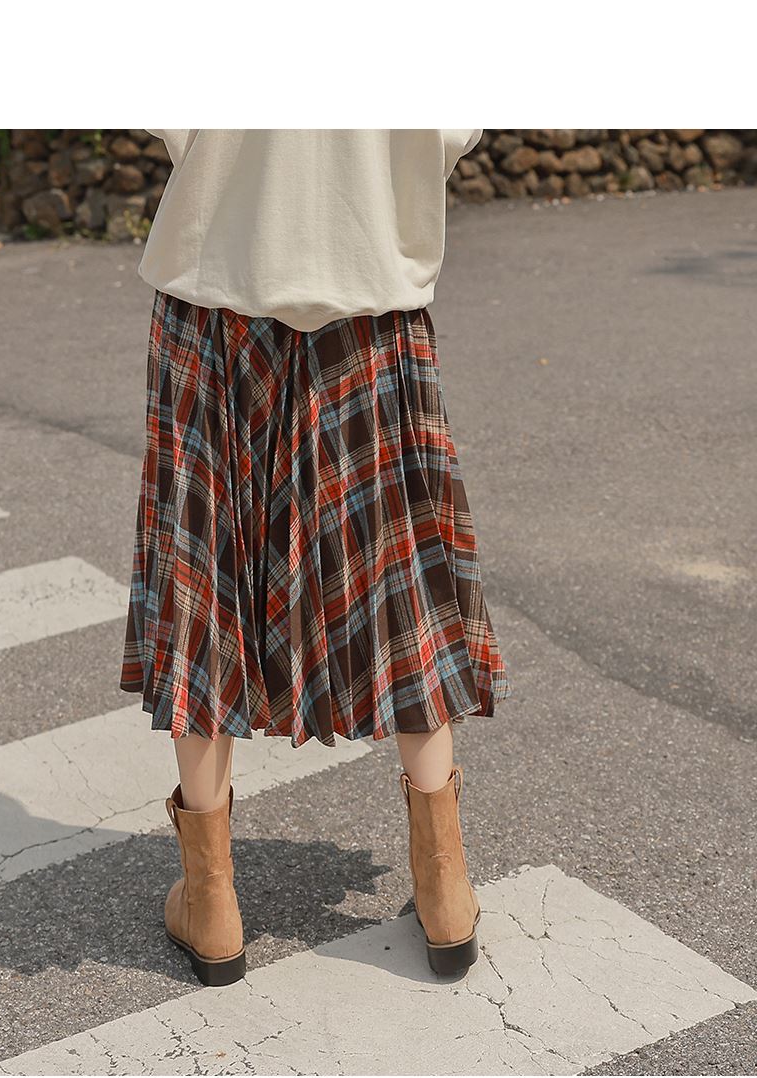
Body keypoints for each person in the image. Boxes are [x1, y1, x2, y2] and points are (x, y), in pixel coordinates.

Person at [119, 129, 511, 988]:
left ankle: (213, 903)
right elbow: (454, 120)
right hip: (369, 296)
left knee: (206, 579)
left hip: (219, 284)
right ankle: (444, 886)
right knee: (403, 584)